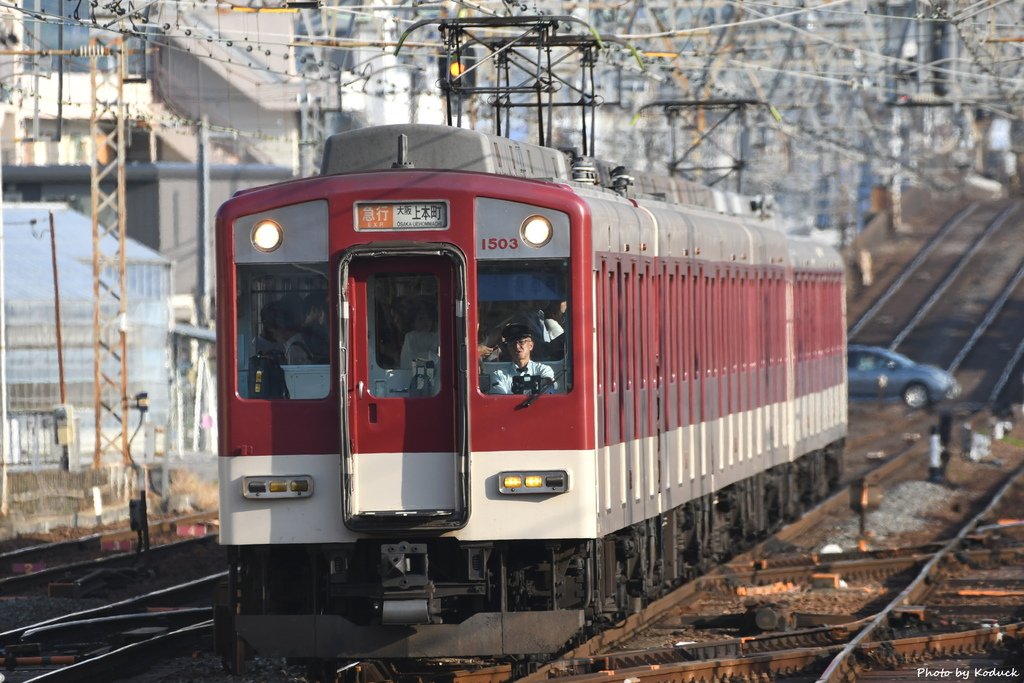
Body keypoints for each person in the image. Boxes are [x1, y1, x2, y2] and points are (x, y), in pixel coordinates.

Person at [487, 324, 555, 395]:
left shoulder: (544, 370)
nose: (517, 346)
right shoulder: (499, 375)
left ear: (531, 345)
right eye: (512, 343)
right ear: (508, 348)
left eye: (521, 342)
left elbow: (547, 393)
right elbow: (501, 401)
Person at [401, 300, 440, 370]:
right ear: (412, 321)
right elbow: (406, 363)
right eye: (421, 318)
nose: (426, 322)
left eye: (429, 318)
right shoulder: (410, 337)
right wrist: (429, 356)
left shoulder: (436, 337)